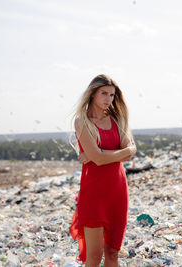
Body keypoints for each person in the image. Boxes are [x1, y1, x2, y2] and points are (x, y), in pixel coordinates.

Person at [69, 74, 136, 267]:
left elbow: (129, 153)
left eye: (112, 95)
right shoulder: (82, 122)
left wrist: (98, 154)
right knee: (95, 256)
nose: (108, 99)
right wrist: (101, 155)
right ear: (92, 94)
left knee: (113, 253)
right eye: (104, 93)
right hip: (94, 193)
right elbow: (101, 158)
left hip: (118, 192)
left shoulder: (118, 119)